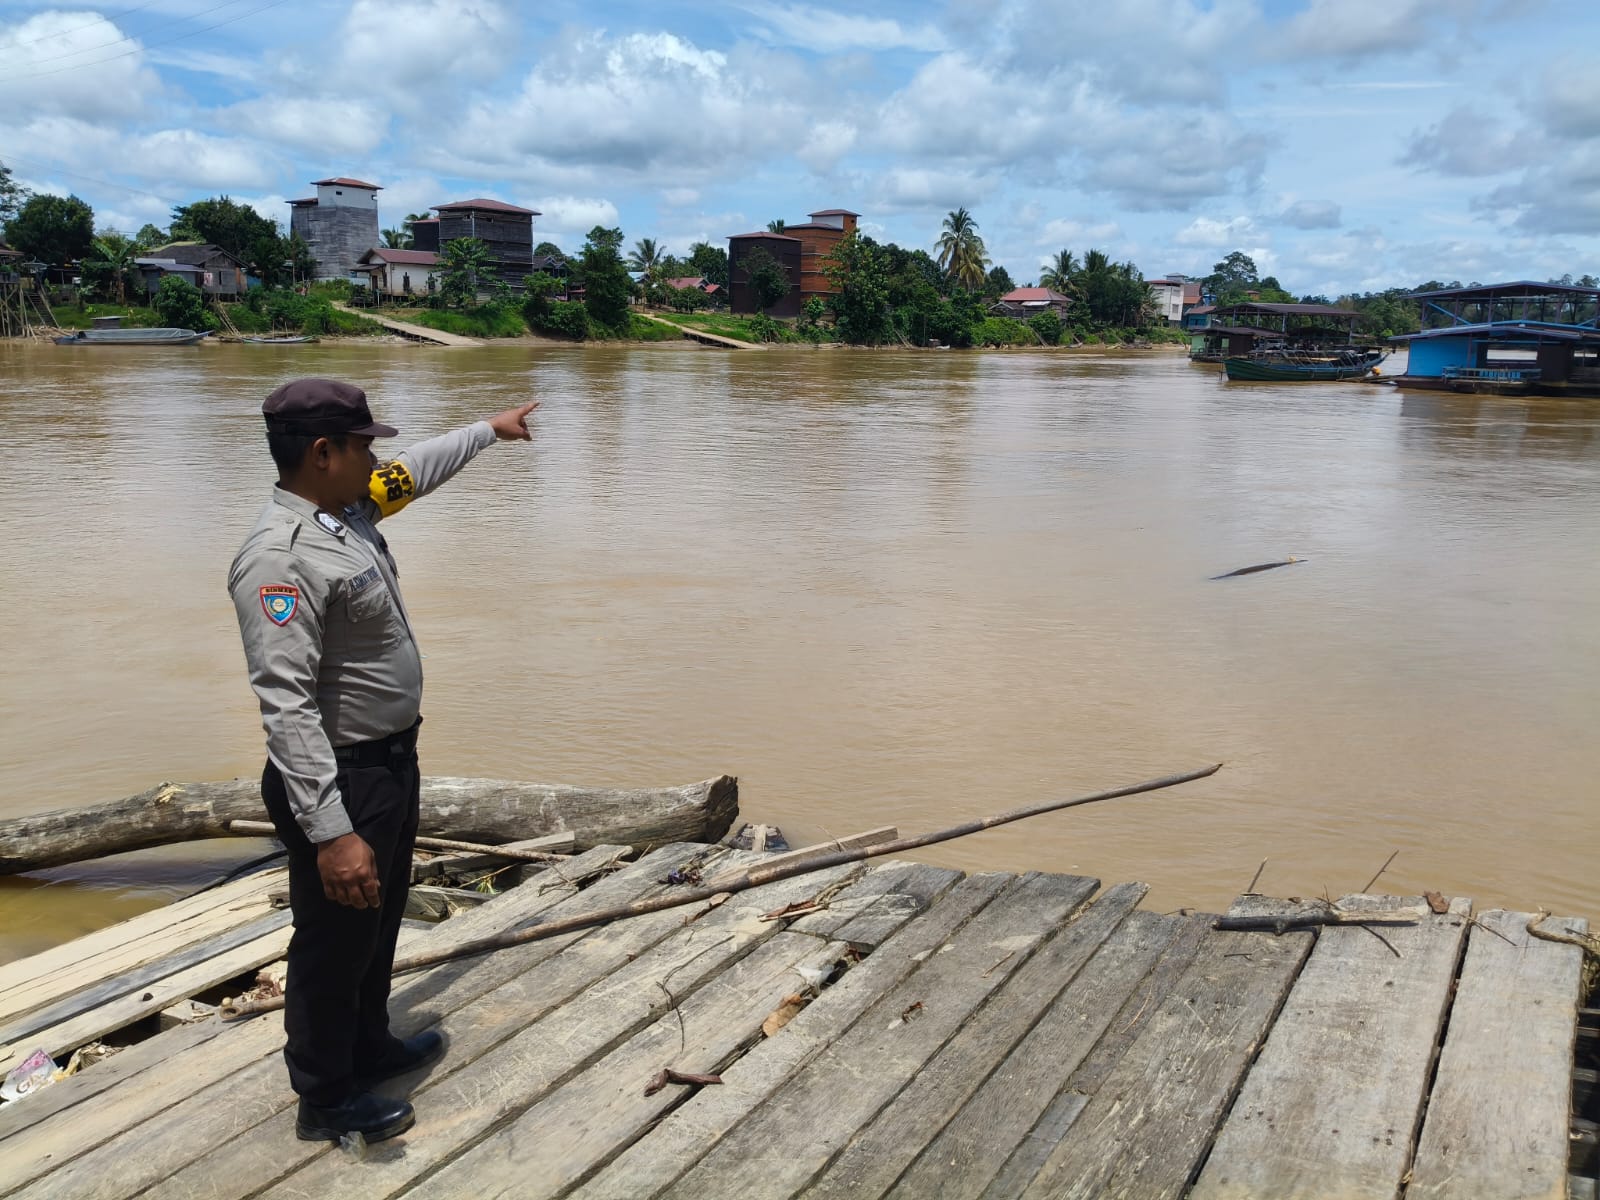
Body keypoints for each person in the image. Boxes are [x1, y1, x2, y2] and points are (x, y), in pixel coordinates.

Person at [228, 377, 537, 1144]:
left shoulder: (350, 510)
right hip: (340, 776)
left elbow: (417, 470)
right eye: (363, 445)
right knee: (333, 942)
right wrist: (333, 832)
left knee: (377, 921)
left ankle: (369, 1045)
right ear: (322, 453)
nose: (377, 458)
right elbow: (286, 705)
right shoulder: (280, 558)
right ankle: (326, 1097)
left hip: (390, 763)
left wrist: (488, 430)